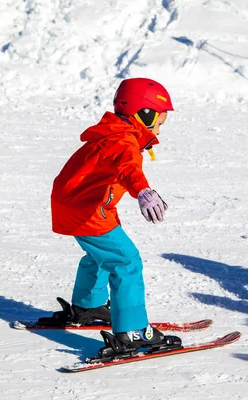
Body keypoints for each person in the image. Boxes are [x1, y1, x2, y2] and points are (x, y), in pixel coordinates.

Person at [50, 77, 173, 353]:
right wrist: (143, 191)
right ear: (144, 113)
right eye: (159, 123)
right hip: (87, 210)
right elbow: (128, 167)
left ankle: (88, 306)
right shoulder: (122, 140)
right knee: (125, 261)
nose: (160, 131)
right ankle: (132, 332)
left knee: (99, 256)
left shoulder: (115, 133)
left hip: (75, 204)